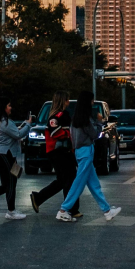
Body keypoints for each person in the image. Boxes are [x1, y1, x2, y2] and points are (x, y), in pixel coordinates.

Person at [56, 91, 120, 223]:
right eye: (92, 100)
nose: (93, 103)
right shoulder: (86, 119)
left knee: (94, 184)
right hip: (86, 152)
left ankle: (107, 211)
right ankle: (63, 210)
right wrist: (99, 122)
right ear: (88, 102)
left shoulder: (75, 118)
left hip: (79, 152)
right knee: (79, 182)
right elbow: (95, 134)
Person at [30, 90, 81, 218]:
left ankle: (39, 198)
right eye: (67, 99)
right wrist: (69, 135)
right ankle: (70, 209)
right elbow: (55, 132)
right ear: (63, 101)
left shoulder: (57, 115)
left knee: (63, 180)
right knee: (70, 179)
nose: (69, 102)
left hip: (59, 152)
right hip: (59, 152)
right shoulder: (58, 116)